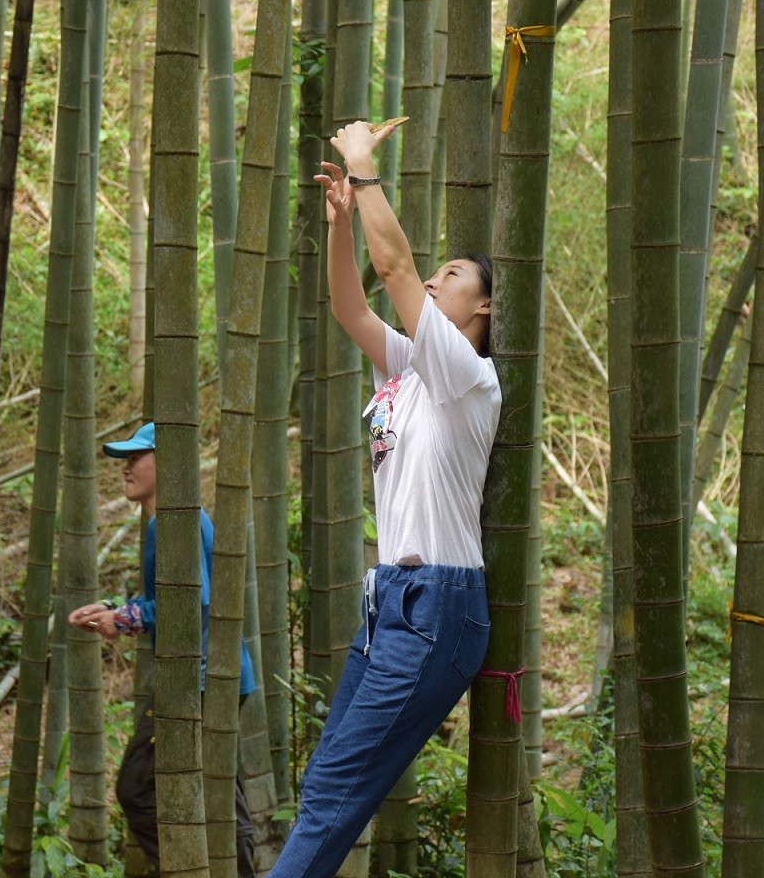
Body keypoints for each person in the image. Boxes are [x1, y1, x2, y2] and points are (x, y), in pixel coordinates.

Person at [266, 121, 501, 878]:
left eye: (454, 274)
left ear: (484, 309)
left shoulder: (467, 376)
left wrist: (365, 170)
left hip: (440, 605)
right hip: (391, 601)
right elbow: (350, 306)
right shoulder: (406, 369)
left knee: (336, 786)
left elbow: (394, 267)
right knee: (325, 784)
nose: (435, 278)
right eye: (438, 271)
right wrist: (341, 222)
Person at [66, 422, 259, 878]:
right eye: (125, 459)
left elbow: (192, 601)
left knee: (138, 787)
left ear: (169, 463)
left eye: (136, 457)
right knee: (220, 798)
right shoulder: (169, 519)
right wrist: (118, 610)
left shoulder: (177, 519)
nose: (126, 467)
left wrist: (126, 618)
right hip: (209, 677)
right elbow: (175, 597)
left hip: (203, 680)